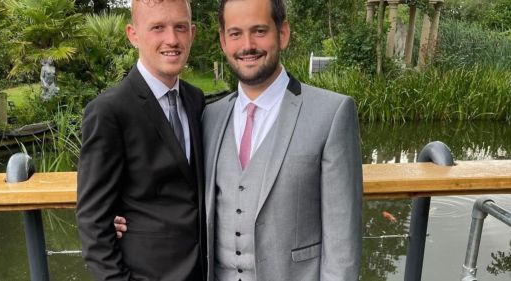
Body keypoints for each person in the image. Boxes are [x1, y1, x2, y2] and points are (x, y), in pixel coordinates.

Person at [117, 0, 363, 280]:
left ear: (282, 33)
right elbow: (172, 187)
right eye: (235, 33)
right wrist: (122, 215)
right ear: (223, 41)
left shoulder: (332, 113)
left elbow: (343, 243)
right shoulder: (209, 116)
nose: (247, 45)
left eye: (259, 31)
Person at [76, 0, 206, 280]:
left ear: (192, 33)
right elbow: (93, 222)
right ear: (133, 34)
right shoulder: (109, 111)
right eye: (157, 27)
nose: (171, 39)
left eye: (180, 27)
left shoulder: (196, 100)